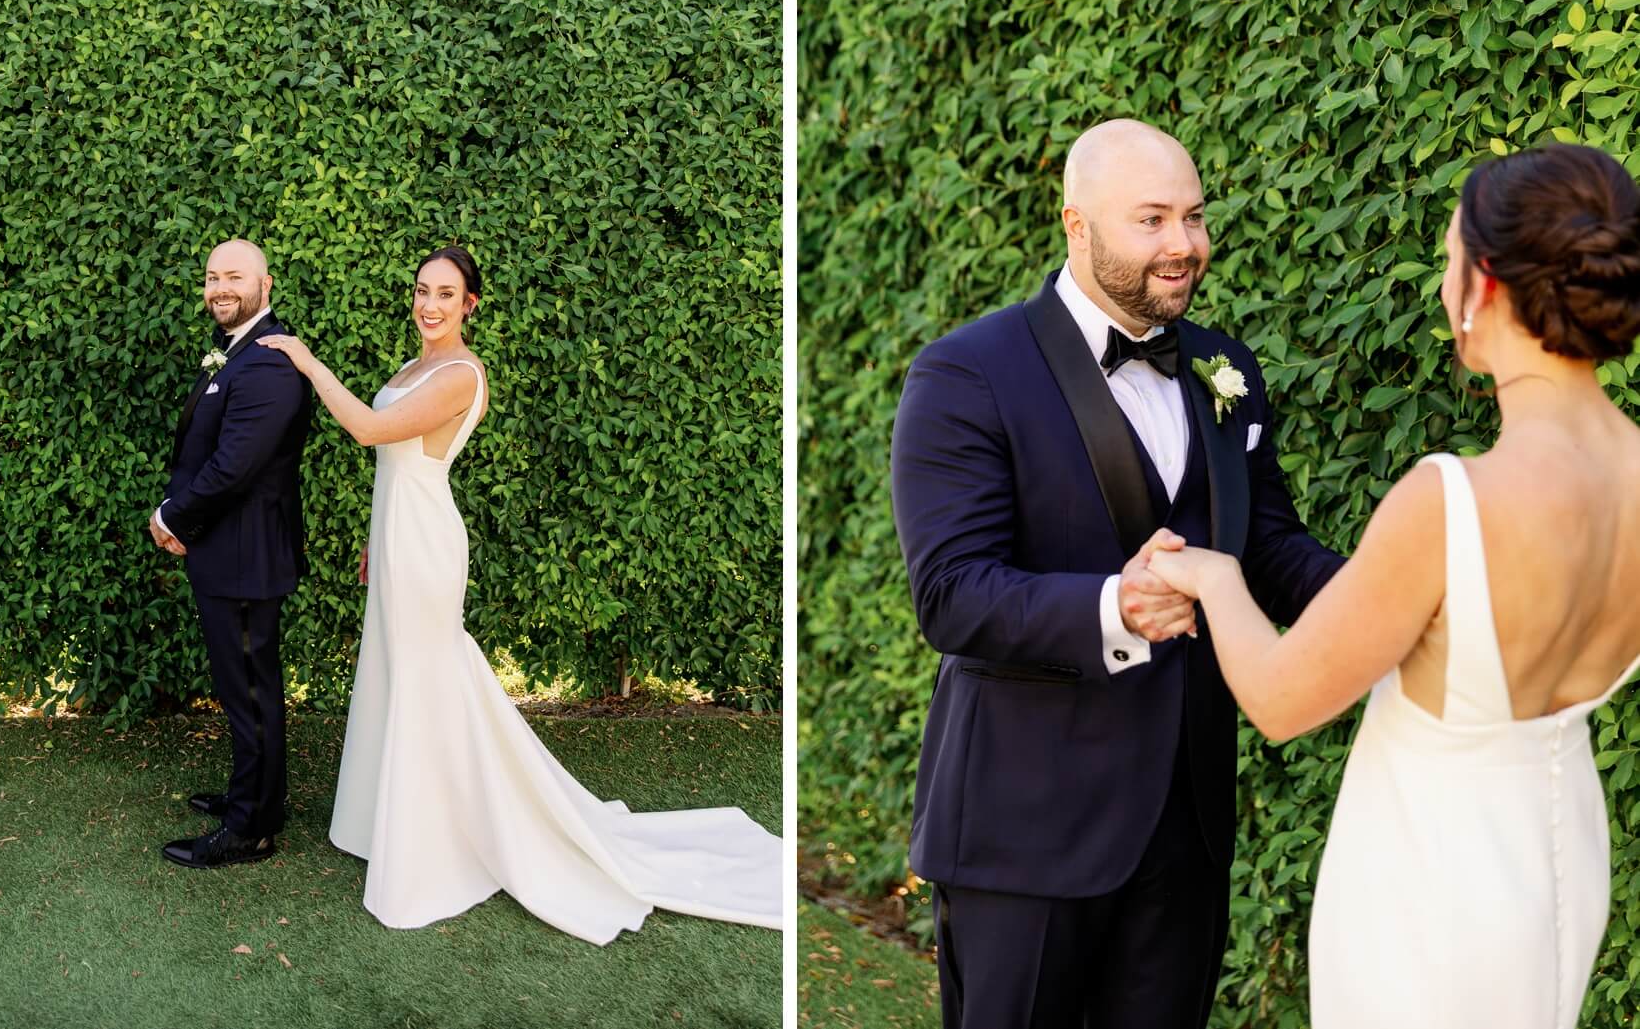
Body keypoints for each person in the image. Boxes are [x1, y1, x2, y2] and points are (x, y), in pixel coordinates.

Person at [1148, 142, 1640, 1028]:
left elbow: (1281, 699)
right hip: (1562, 847)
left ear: (1482, 286)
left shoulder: (1452, 497)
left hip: (1434, 876)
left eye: (1449, 259)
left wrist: (1216, 578)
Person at [890, 118, 1345, 1027]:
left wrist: (1391, 592)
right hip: (1024, 833)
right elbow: (951, 593)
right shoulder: (966, 373)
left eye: (1194, 217)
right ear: (1077, 225)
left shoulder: (1227, 369)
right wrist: (1115, 607)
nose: (1182, 245)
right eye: (1151, 220)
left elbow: (1269, 545)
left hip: (1186, 827)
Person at [257, 245, 782, 940]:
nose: (430, 304)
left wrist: (308, 360)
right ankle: (393, 827)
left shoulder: (459, 373)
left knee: (427, 681)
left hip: (426, 549)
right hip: (398, 539)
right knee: (401, 677)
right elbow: (398, 460)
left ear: (470, 303)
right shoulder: (415, 365)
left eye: (446, 293)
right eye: (421, 291)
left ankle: (436, 852)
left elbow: (369, 429)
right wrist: (374, 538)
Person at [153, 238, 314, 869]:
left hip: (247, 558)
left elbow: (233, 467)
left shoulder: (270, 363)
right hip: (224, 552)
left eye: (235, 276)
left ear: (265, 285)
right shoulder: (235, 352)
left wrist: (171, 515)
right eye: (213, 276)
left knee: (250, 692)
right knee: (243, 687)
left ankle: (252, 830)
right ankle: (254, 799)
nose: (221, 286)